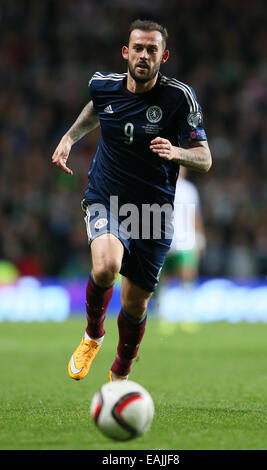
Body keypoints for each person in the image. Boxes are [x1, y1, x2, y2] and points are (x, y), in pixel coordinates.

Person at [51, 19, 212, 382]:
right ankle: (93, 334)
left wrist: (177, 152)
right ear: (126, 52)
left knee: (135, 304)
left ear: (163, 56)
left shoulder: (179, 97)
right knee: (106, 266)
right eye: (137, 48)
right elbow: (97, 107)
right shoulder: (103, 85)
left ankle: (120, 372)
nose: (143, 55)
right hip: (107, 198)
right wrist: (69, 137)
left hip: (154, 212)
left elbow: (205, 158)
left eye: (151, 50)